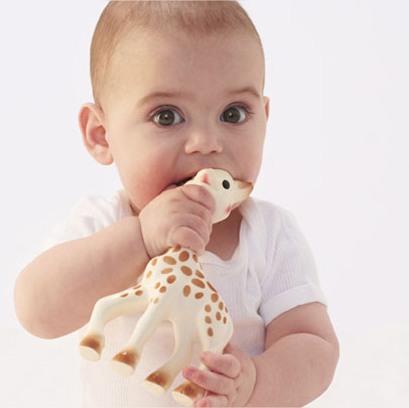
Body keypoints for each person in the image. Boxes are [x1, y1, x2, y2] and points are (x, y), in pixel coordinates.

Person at [14, 1, 339, 407]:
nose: (207, 143)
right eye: (166, 116)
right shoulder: (103, 222)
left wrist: (257, 381)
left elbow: (313, 344)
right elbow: (37, 311)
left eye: (233, 114)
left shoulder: (269, 234)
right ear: (101, 134)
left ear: (264, 118)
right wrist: (141, 238)